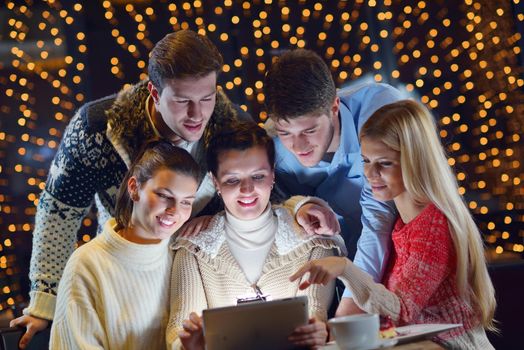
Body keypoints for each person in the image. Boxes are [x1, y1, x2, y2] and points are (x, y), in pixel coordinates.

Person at [10, 29, 243, 347]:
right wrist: (45, 302)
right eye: (182, 101)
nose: (197, 114)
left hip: (199, 285)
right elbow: (59, 210)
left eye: (207, 98)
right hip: (124, 279)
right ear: (154, 93)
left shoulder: (234, 130)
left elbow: (270, 198)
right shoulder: (95, 128)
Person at [289, 100, 497, 349]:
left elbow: (402, 311)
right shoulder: (399, 224)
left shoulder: (434, 225)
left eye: (384, 163)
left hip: (454, 343)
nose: (370, 173)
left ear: (414, 161)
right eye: (365, 160)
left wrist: (345, 268)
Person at [166, 122, 346, 349]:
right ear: (215, 182)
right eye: (232, 180)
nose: (247, 189)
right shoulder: (193, 249)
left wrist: (319, 332)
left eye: (258, 176)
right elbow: (178, 329)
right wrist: (187, 346)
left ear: (272, 175)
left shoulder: (312, 240)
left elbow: (315, 315)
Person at [264, 48, 404, 315]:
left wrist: (354, 301)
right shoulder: (271, 147)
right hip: (331, 284)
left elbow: (379, 214)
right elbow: (267, 207)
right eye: (285, 132)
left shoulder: (381, 110)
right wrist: (299, 207)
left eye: (309, 130)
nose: (298, 145)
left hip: (405, 263)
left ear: (334, 106)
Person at [49, 140, 202, 349]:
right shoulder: (86, 264)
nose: (175, 211)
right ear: (134, 188)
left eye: (186, 201)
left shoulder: (184, 254)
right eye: (164, 196)